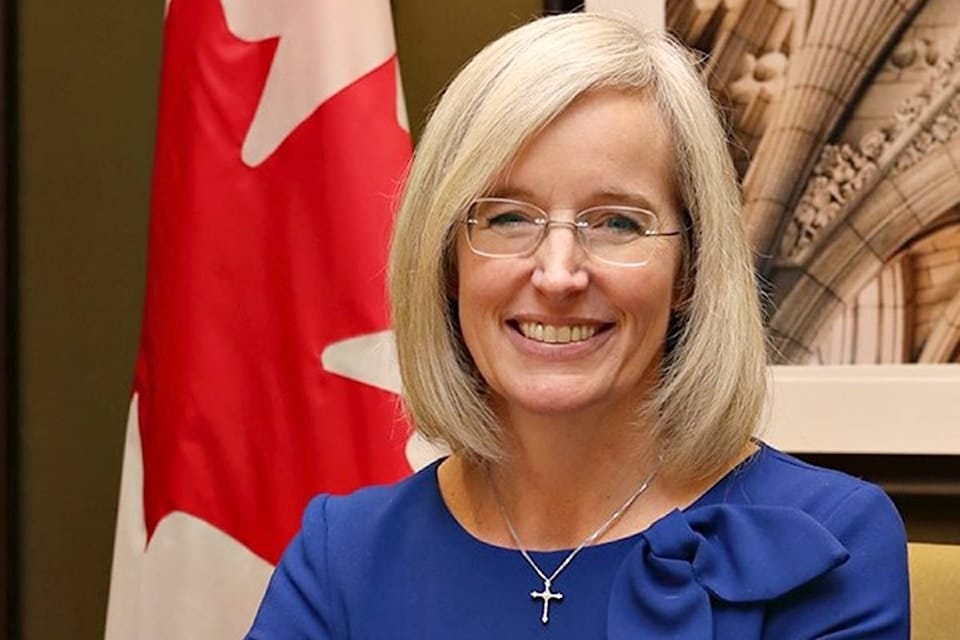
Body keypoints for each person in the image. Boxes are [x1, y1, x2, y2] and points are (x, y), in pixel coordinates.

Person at [247, 13, 909, 639]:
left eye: (618, 222)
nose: (559, 274)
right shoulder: (342, 556)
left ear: (690, 272)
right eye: (507, 217)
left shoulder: (832, 540)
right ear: (449, 262)